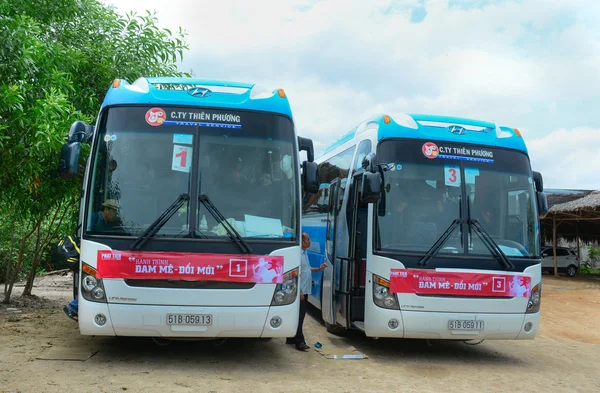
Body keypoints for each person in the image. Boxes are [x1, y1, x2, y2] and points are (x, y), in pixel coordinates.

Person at [286, 232, 327, 351]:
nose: (310, 241)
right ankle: (299, 342)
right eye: (308, 240)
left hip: (305, 289)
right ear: (302, 242)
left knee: (297, 315)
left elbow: (306, 269)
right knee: (300, 316)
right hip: (301, 291)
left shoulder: (304, 253)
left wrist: (319, 269)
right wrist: (299, 291)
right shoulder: (298, 255)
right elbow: (295, 274)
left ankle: (291, 338)